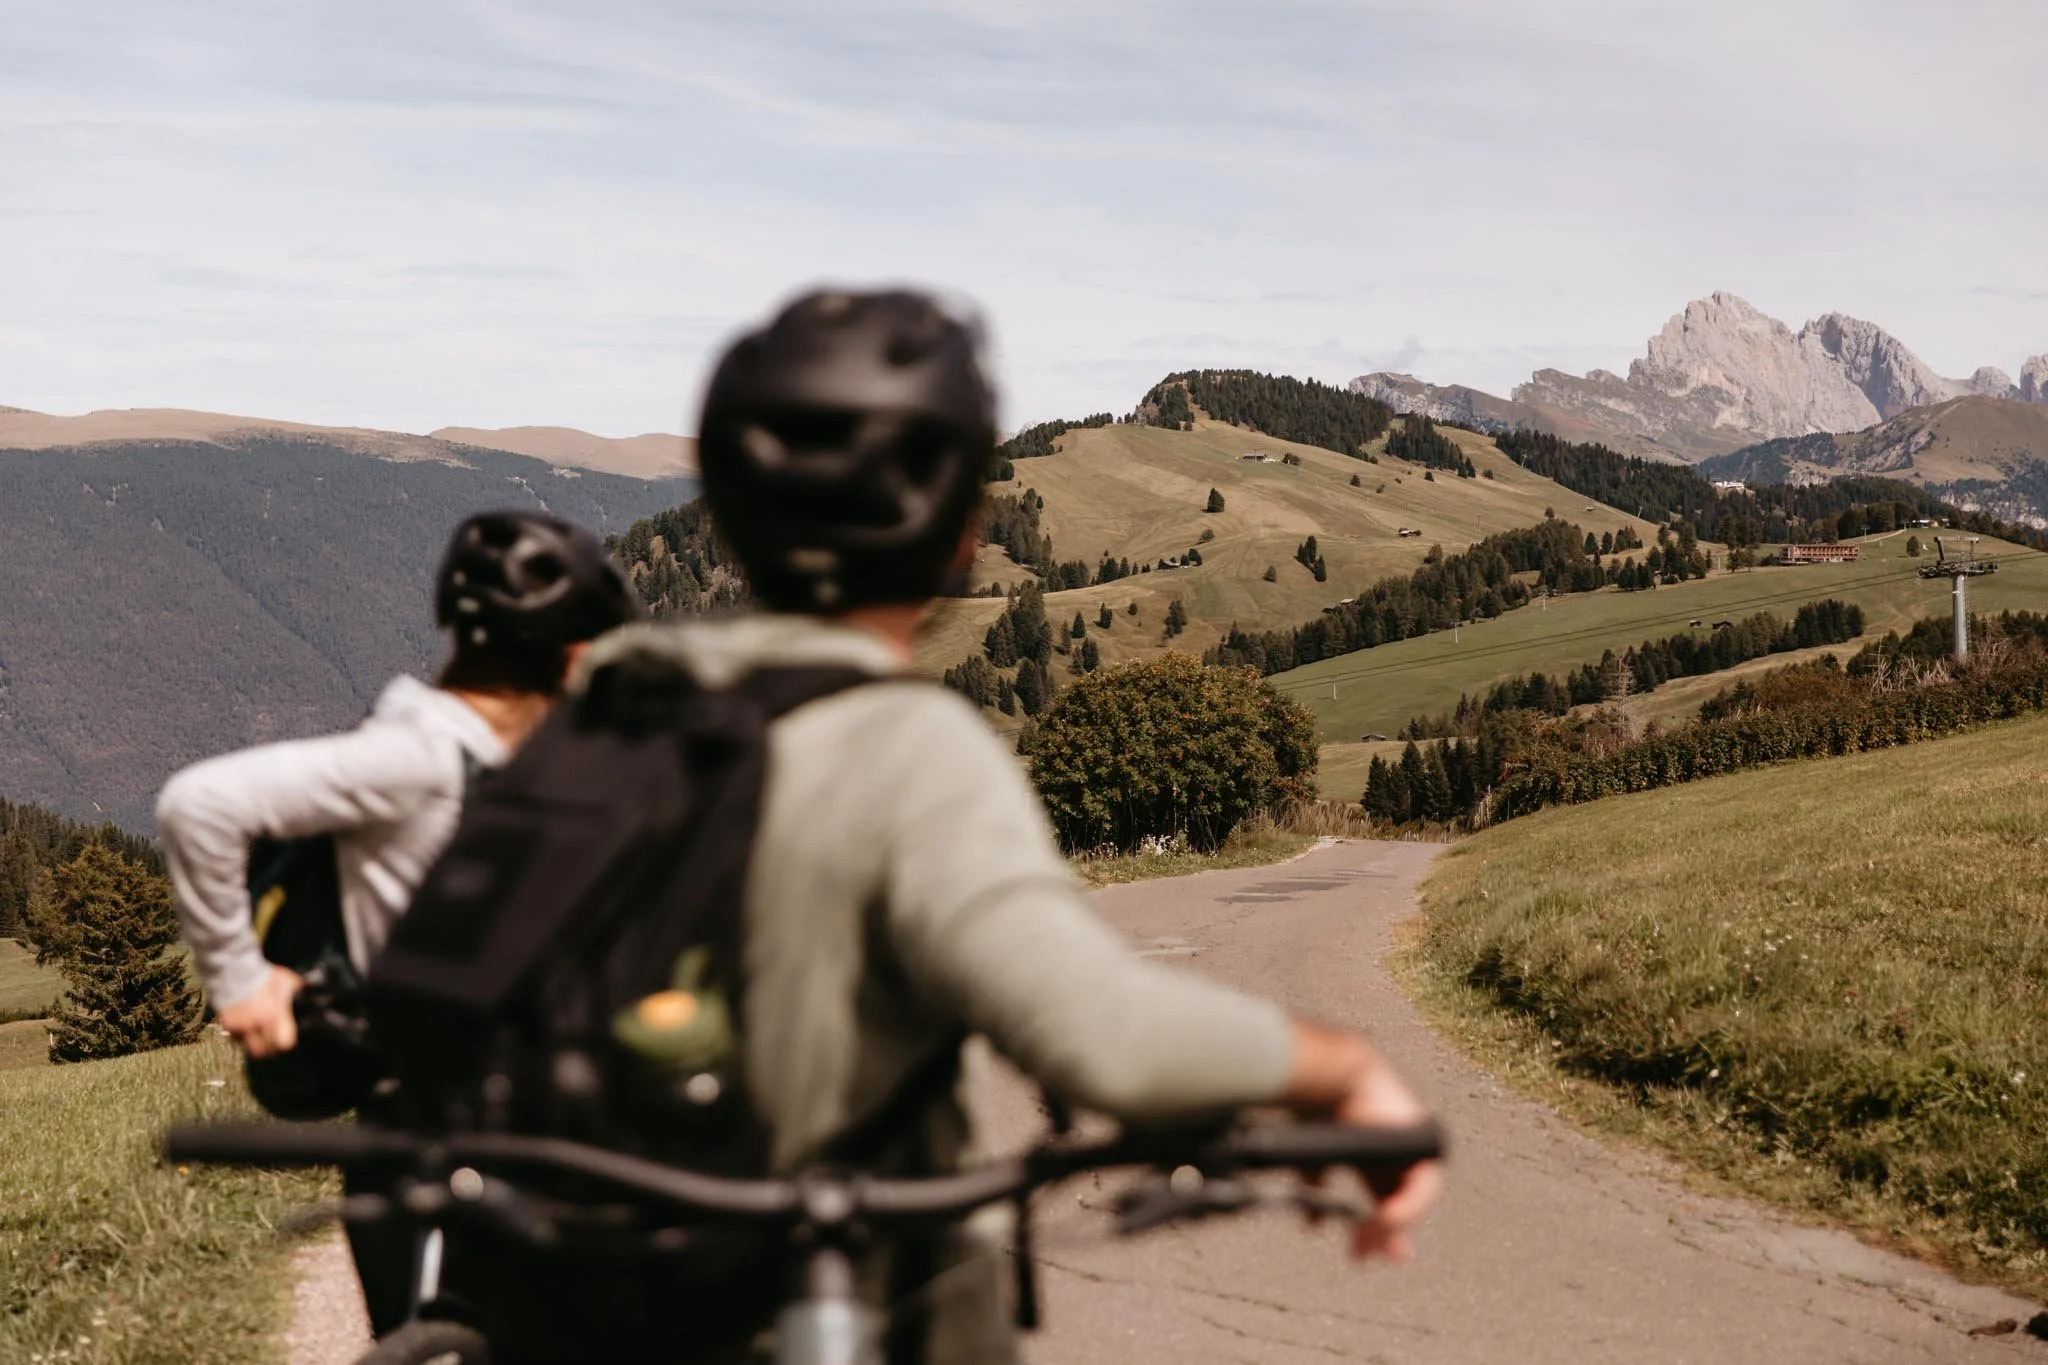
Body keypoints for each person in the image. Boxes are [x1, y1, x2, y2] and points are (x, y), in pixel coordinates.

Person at [528, 288, 1442, 1362]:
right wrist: (1345, 1073)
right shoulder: (901, 744)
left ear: (722, 511)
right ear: (961, 527)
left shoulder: (599, 712)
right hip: (833, 1308)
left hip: (575, 1292)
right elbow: (1106, 1038)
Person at [156, 508, 643, 1330]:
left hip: (502, 1126)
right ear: (572, 654)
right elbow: (197, 803)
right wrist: (238, 981)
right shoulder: (422, 754)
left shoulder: (493, 760)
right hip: (426, 1132)